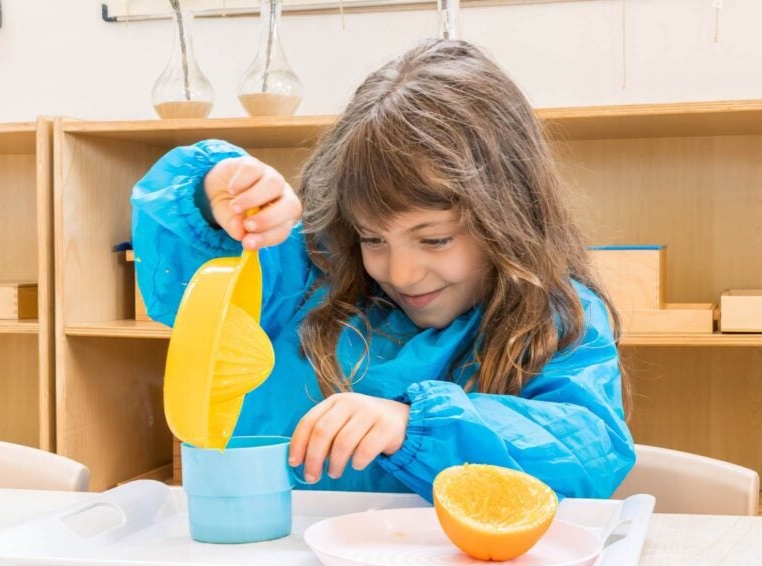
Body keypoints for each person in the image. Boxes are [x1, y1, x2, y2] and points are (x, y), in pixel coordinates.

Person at [131, 39, 634, 502]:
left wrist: (416, 424)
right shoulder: (308, 274)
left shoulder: (553, 315)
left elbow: (587, 449)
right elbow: (192, 282)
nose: (403, 272)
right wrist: (214, 197)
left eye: (435, 239)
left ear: (508, 216)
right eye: (373, 238)